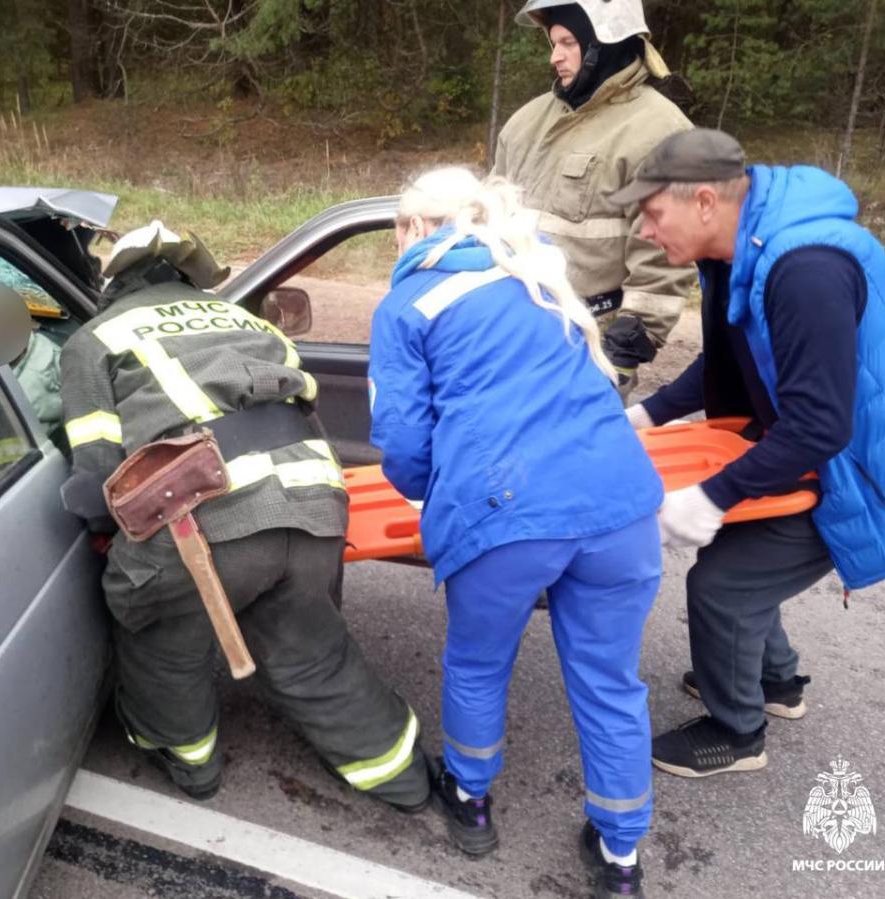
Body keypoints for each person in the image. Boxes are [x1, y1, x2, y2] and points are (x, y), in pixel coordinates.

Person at [58, 221, 431, 809]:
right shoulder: (251, 321)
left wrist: (103, 533)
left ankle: (189, 761)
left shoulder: (96, 339)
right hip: (316, 505)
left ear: (115, 285)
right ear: (189, 279)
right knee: (312, 648)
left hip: (204, 520)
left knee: (159, 628)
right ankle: (400, 774)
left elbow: (97, 469)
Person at [369, 168, 662, 896]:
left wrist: (438, 494)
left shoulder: (410, 300)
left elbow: (403, 444)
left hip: (506, 510)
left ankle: (471, 803)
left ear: (415, 228)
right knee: (610, 680)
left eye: (399, 227)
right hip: (620, 504)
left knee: (476, 662)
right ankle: (621, 854)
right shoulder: (537, 272)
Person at [609, 129, 885, 777]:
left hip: (866, 468)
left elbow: (819, 426)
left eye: (651, 213)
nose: (644, 233)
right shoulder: (735, 250)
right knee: (742, 556)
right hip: (828, 441)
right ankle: (776, 682)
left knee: (722, 584)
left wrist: (711, 496)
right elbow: (725, 362)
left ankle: (737, 732)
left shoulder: (804, 268)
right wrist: (644, 415)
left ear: (704, 201)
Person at [493, 0, 696, 402]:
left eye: (568, 43)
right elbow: (489, 223)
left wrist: (622, 351)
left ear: (606, 42)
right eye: (553, 43)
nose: (555, 57)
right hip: (508, 338)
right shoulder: (525, 123)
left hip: (585, 350)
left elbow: (665, 261)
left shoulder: (661, 133)